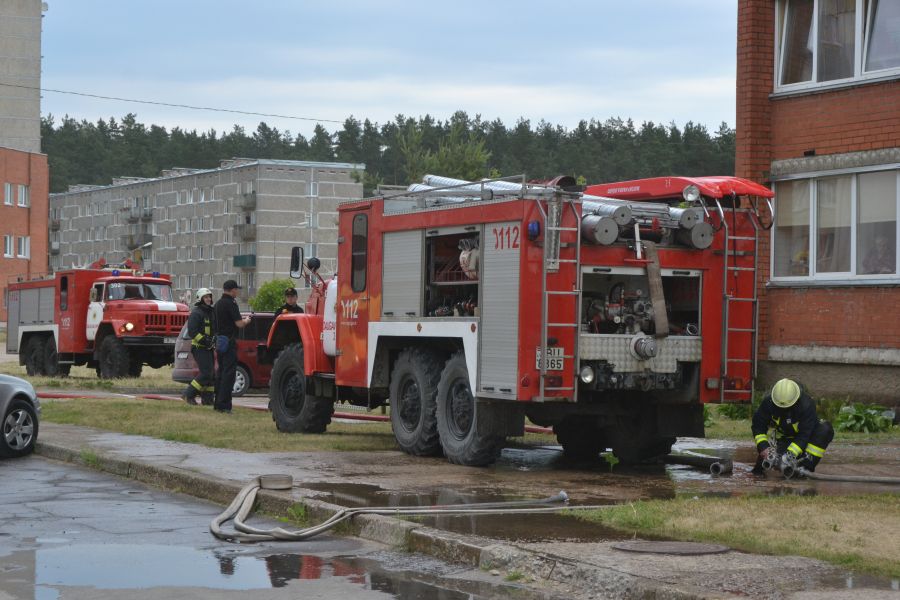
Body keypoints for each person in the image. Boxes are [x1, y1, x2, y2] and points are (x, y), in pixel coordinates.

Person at [752, 378, 834, 474]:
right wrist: (764, 447)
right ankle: (788, 469)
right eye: (780, 407)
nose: (783, 410)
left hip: (808, 439)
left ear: (796, 400)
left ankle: (805, 467)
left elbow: (804, 435)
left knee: (825, 429)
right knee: (760, 469)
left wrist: (789, 455)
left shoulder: (807, 405)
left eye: (787, 407)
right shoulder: (768, 403)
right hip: (786, 438)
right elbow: (758, 426)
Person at [213, 280, 251, 414]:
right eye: (236, 289)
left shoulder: (217, 304)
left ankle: (217, 403)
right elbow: (239, 324)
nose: (237, 292)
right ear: (232, 290)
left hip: (220, 341)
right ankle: (225, 405)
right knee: (229, 374)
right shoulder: (231, 303)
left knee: (220, 372)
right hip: (229, 342)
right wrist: (247, 320)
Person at [182, 288, 216, 406]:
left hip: (208, 347)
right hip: (199, 347)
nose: (208, 299)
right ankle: (188, 394)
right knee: (206, 373)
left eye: (209, 297)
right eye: (206, 297)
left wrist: (214, 339)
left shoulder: (211, 312)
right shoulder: (196, 313)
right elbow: (192, 331)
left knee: (211, 374)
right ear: (200, 299)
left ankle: (208, 400)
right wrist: (205, 341)